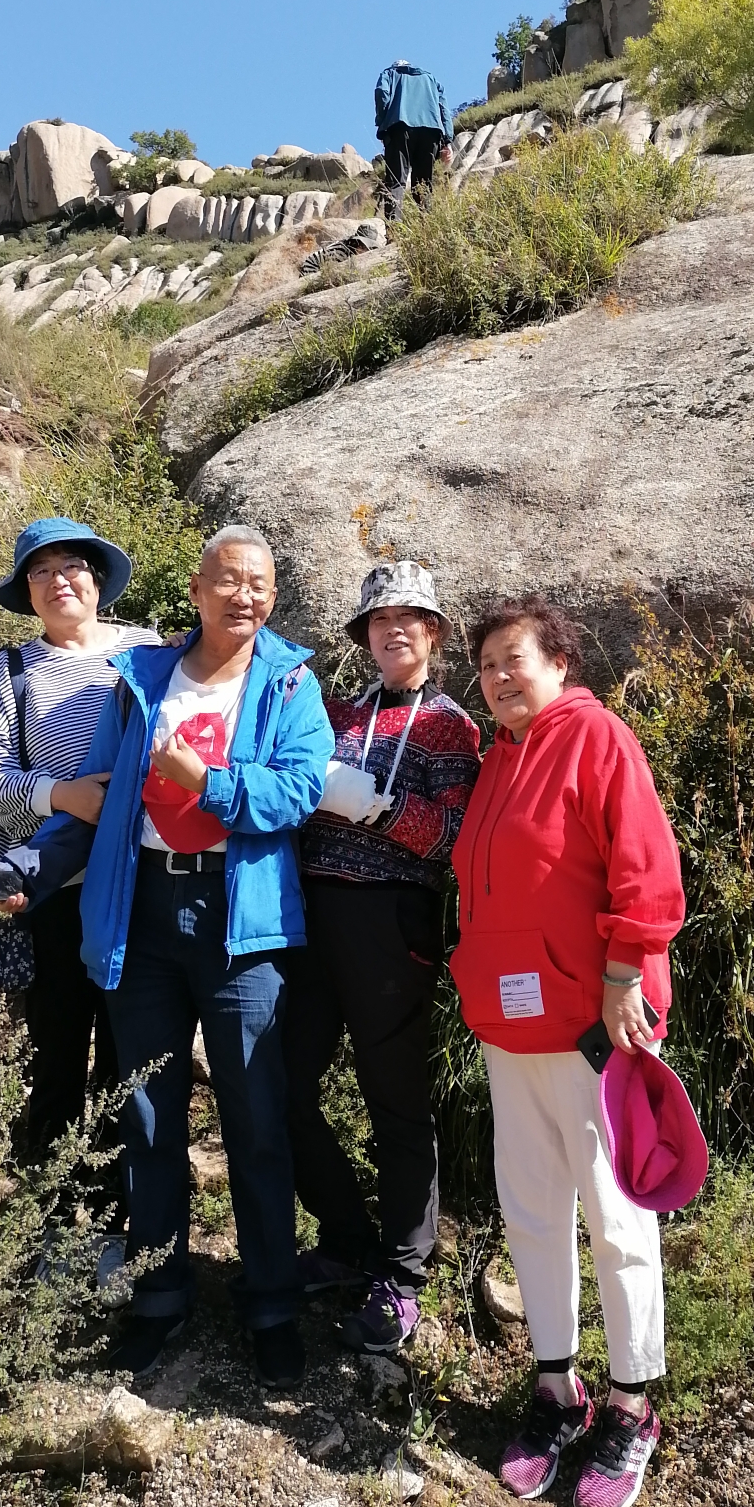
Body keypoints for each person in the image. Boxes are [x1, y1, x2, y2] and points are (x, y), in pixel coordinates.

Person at [0, 525, 333, 1390]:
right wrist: (30, 866)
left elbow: (298, 791)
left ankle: (270, 1304)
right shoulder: (144, 677)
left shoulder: (291, 681)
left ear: (273, 595)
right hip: (143, 911)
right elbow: (98, 801)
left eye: (257, 583)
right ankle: (158, 1294)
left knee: (257, 1118)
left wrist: (205, 782)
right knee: (146, 1114)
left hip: (240, 922)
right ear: (196, 588)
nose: (242, 596)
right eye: (227, 580)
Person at [449, 595, 685, 1507]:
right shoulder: (493, 760)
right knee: (533, 1210)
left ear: (558, 661)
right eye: (487, 667)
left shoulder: (596, 740)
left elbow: (647, 869)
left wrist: (625, 976)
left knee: (616, 1217)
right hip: (512, 1032)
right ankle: (558, 1388)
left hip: (599, 1027)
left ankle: (633, 1406)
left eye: (516, 659)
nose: (501, 678)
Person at [285, 562, 482, 1353]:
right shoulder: (332, 713)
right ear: (363, 635)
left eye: (411, 618)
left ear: (432, 633)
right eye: (378, 620)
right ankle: (343, 1239)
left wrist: (376, 804)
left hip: (392, 923)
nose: (393, 630)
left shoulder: (451, 727)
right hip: (309, 916)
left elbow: (454, 836)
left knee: (394, 1101)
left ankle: (402, 1275)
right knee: (283, 1088)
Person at [0, 517, 166, 1162]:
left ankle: (112, 1209)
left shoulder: (147, 652)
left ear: (99, 580)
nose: (58, 582)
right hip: (48, 893)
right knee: (55, 1048)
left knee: (124, 1053)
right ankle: (48, 1213)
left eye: (71, 567)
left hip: (134, 884)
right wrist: (63, 796)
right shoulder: (11, 670)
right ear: (27, 592)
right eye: (41, 572)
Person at [374, 59, 454, 219]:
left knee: (396, 180)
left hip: (399, 127)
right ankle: (427, 225)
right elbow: (443, 107)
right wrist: (447, 141)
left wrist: (382, 123)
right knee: (423, 184)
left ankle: (394, 229)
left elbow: (382, 94)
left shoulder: (389, 73)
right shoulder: (430, 78)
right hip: (431, 131)